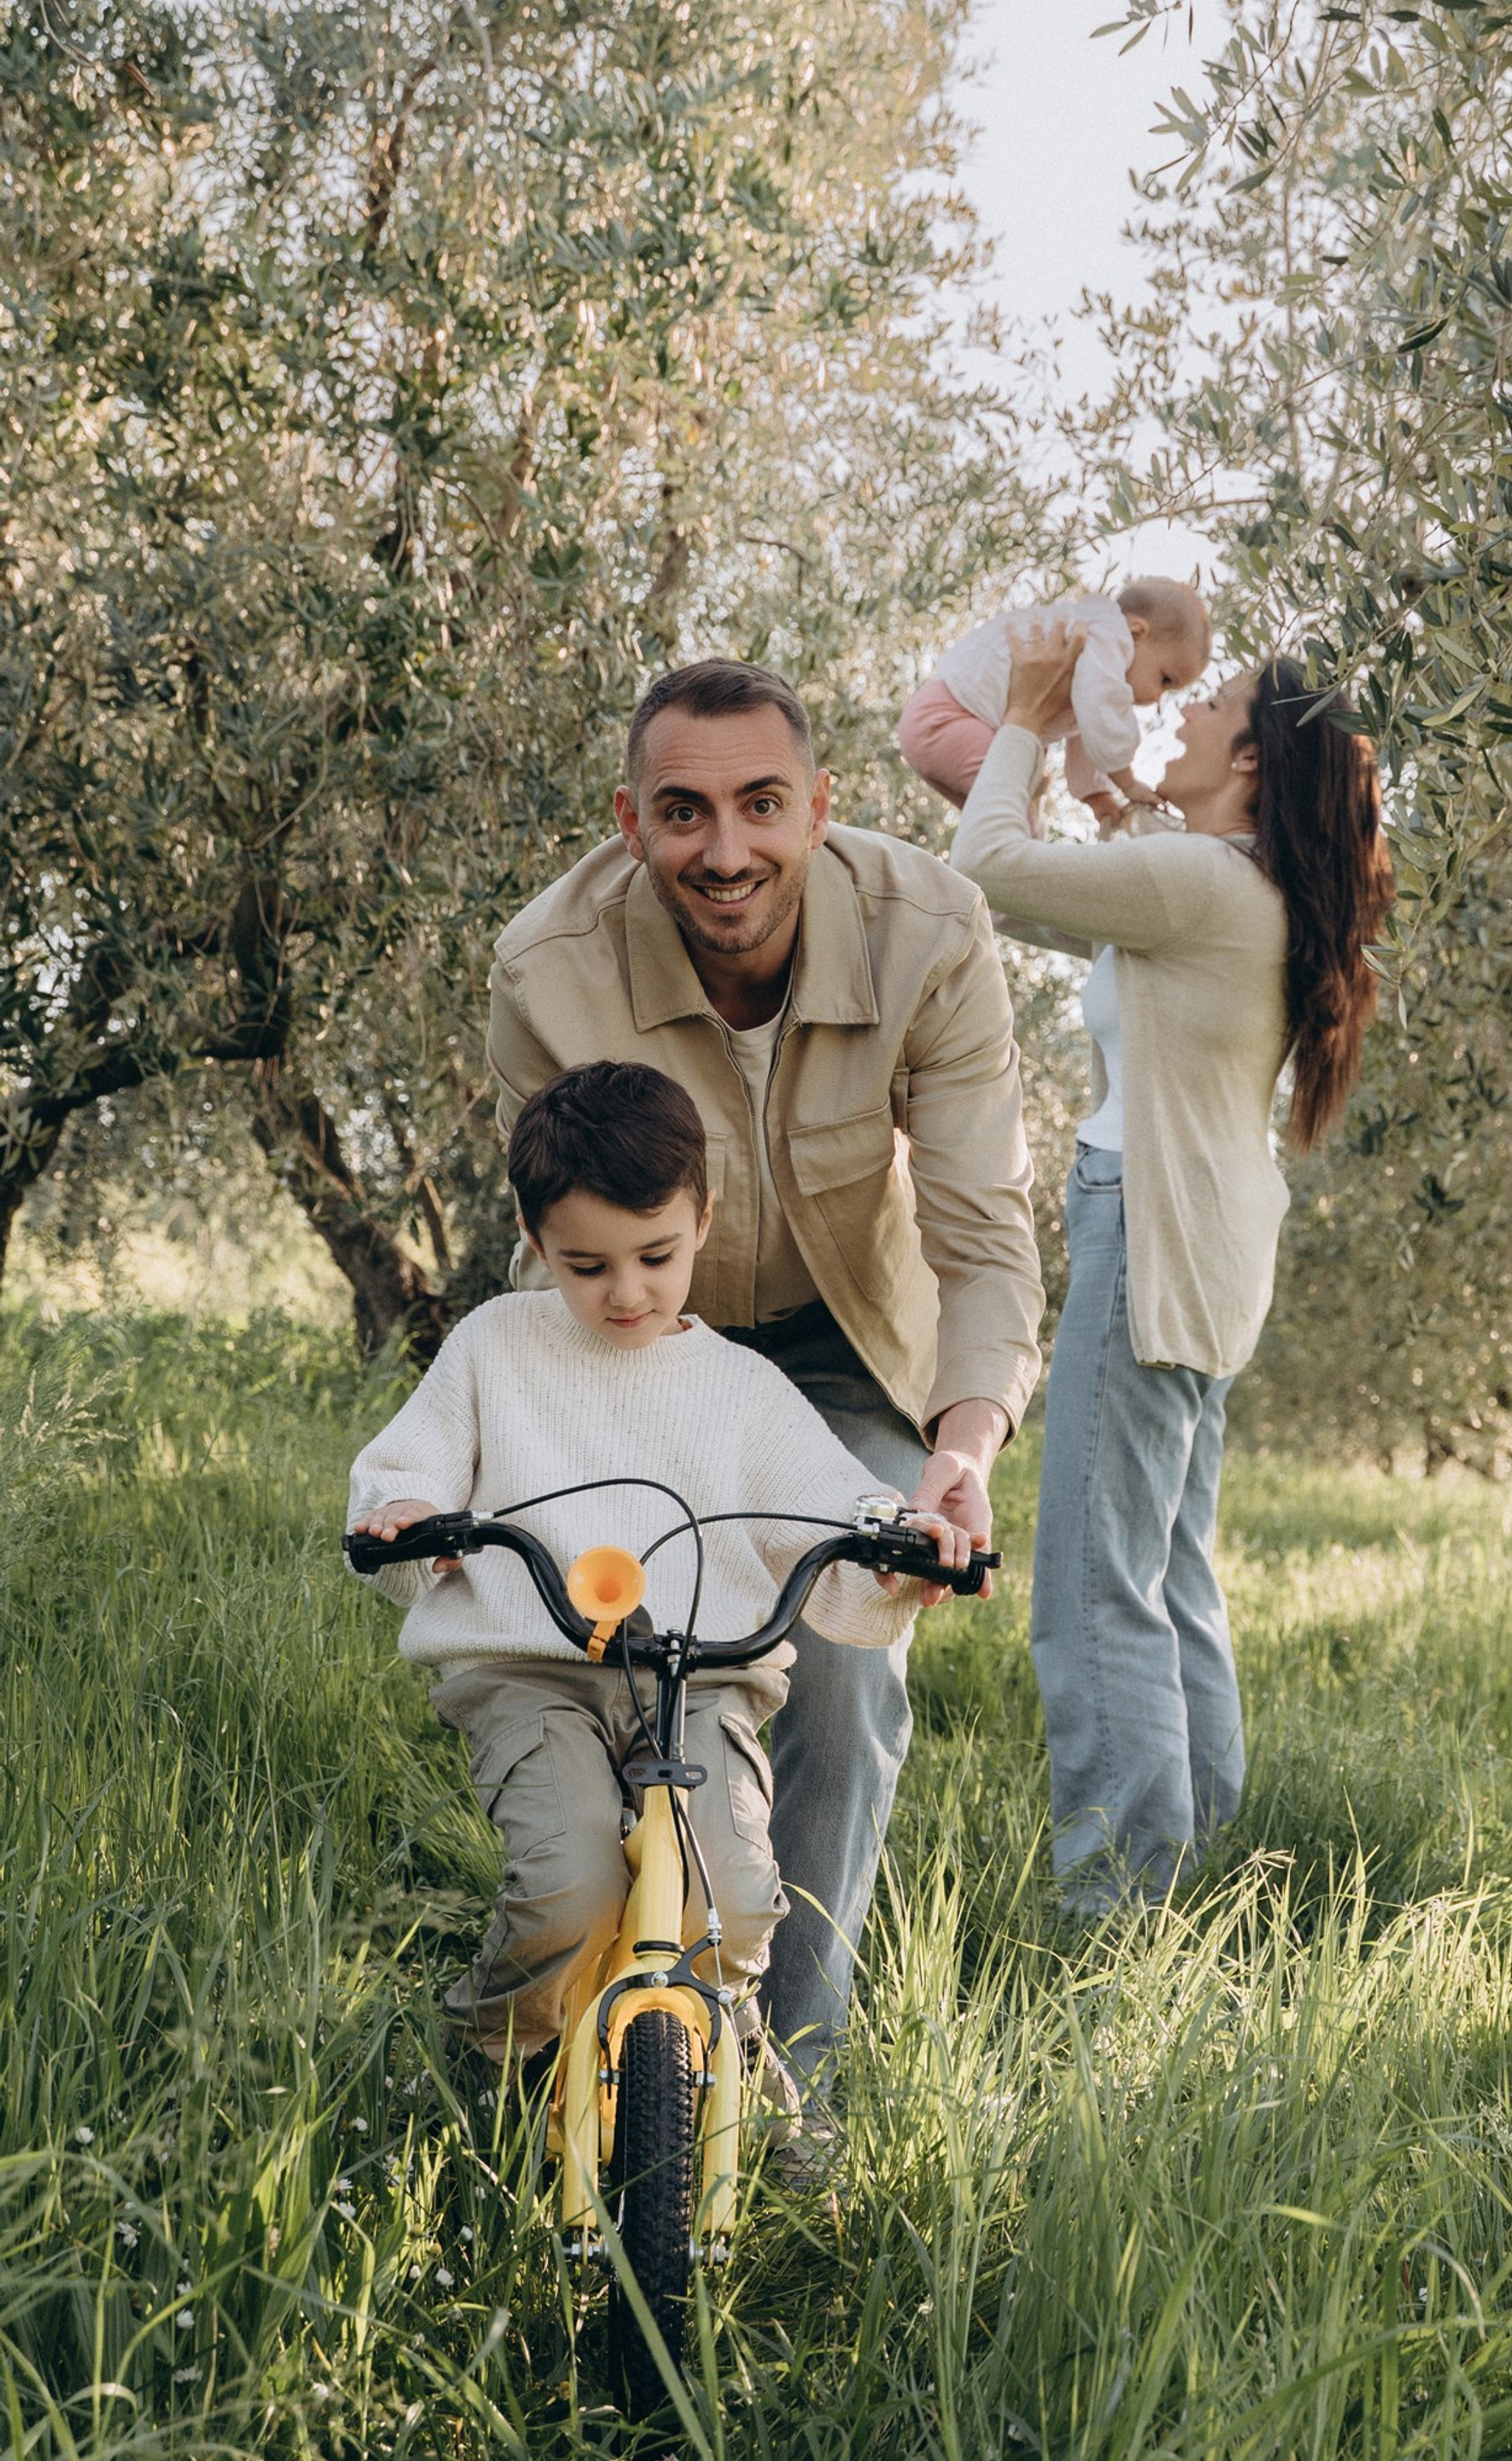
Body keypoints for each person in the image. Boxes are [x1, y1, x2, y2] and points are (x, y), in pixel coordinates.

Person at [485, 661, 1043, 2076]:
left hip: (847, 1348)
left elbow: (984, 1238)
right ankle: (602, 2022)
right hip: (638, 1344)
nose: (725, 850)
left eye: (760, 805)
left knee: (845, 1662)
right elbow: (554, 1250)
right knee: (615, 1640)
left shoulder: (932, 931)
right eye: (683, 812)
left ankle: (797, 2082)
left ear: (821, 807)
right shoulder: (549, 970)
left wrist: (963, 1447)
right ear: (630, 822)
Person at [347, 1060, 968, 2088]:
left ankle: (737, 2072)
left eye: (656, 1256)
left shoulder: (743, 1389)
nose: (626, 1292)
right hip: (533, 1675)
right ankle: (492, 2060)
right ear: (534, 1236)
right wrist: (410, 1519)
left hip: (703, 1681)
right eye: (586, 1265)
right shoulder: (497, 1345)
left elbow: (838, 1509)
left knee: (735, 1899)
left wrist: (902, 1552)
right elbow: (402, 1475)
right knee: (569, 1888)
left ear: (703, 1219)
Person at [950, 620, 1395, 1915]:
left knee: (1094, 1590)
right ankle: (1197, 1865)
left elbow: (983, 868)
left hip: (1147, 1232)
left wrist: (1023, 718)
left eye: (1213, 706)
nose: (1182, 712)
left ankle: (1119, 1909)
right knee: (1168, 1569)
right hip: (1209, 1245)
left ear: (1252, 761)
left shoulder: (1201, 884)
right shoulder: (1234, 884)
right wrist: (1101, 806)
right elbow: (1055, 906)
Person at [898, 577, 1211, 828]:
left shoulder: (1093, 656)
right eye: (1165, 679)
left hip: (940, 725)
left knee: (990, 826)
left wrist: (1096, 794)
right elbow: (1101, 713)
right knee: (1017, 823)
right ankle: (1017, 890)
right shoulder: (1107, 637)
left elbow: (1090, 726)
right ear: (1137, 632)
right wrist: (1127, 783)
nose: (1157, 697)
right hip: (948, 719)